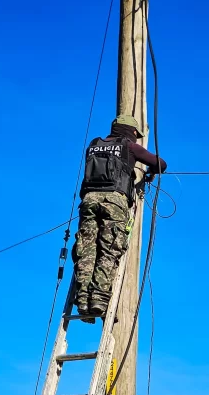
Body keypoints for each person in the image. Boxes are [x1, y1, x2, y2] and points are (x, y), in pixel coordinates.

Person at [72, 115, 167, 322]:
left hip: (88, 200)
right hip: (114, 201)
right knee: (109, 248)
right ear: (131, 131)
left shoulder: (94, 145)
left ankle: (83, 300)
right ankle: (98, 300)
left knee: (86, 249)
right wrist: (150, 173)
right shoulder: (129, 146)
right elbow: (160, 163)